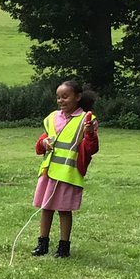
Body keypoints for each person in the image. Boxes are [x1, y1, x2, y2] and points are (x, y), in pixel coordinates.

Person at [30, 79, 99, 259]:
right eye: (58, 97)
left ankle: (63, 247)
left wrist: (90, 132)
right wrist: (43, 143)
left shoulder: (86, 119)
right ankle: (42, 243)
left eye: (65, 97)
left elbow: (91, 148)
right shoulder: (52, 118)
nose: (61, 101)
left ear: (77, 97)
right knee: (46, 208)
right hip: (49, 172)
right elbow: (41, 143)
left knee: (64, 210)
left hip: (68, 173)